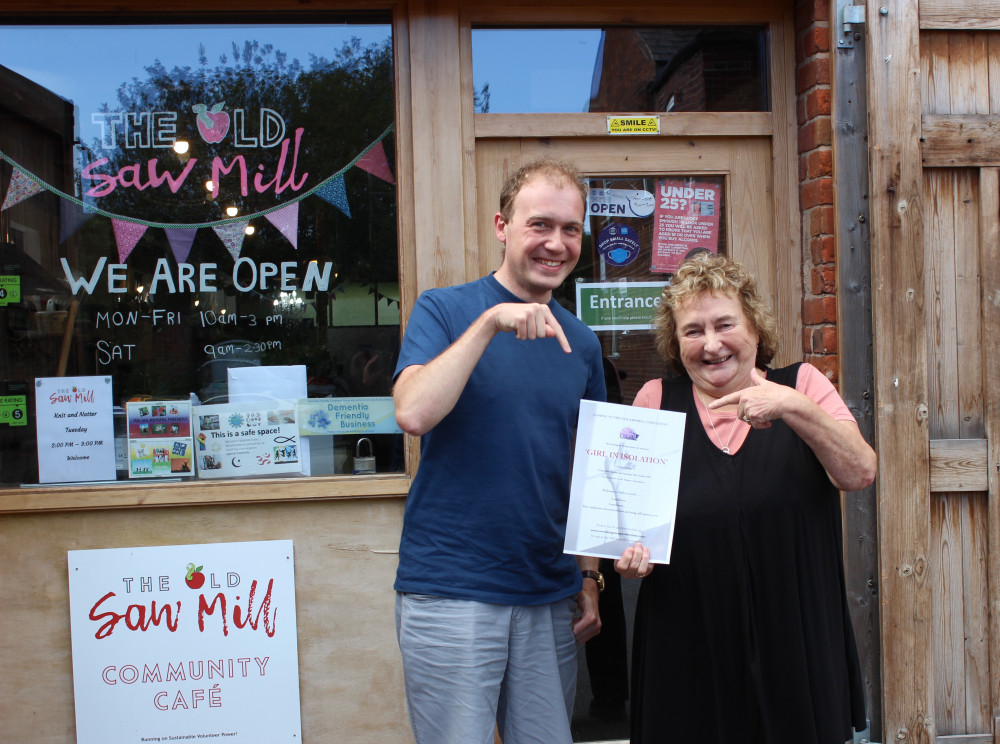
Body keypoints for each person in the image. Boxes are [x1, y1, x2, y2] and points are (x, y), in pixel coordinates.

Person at [615, 252, 876, 744]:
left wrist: (794, 408)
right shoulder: (654, 400)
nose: (711, 344)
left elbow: (859, 471)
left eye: (724, 324)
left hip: (794, 631)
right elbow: (632, 525)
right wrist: (629, 558)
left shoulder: (802, 385)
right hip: (689, 636)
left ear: (754, 326)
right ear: (676, 342)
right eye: (693, 330)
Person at [392, 157, 607, 744]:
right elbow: (412, 412)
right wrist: (490, 323)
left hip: (548, 594)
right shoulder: (446, 311)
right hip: (452, 588)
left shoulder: (582, 344)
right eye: (540, 225)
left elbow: (585, 469)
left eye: (570, 229)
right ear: (502, 226)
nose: (556, 243)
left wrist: (589, 577)